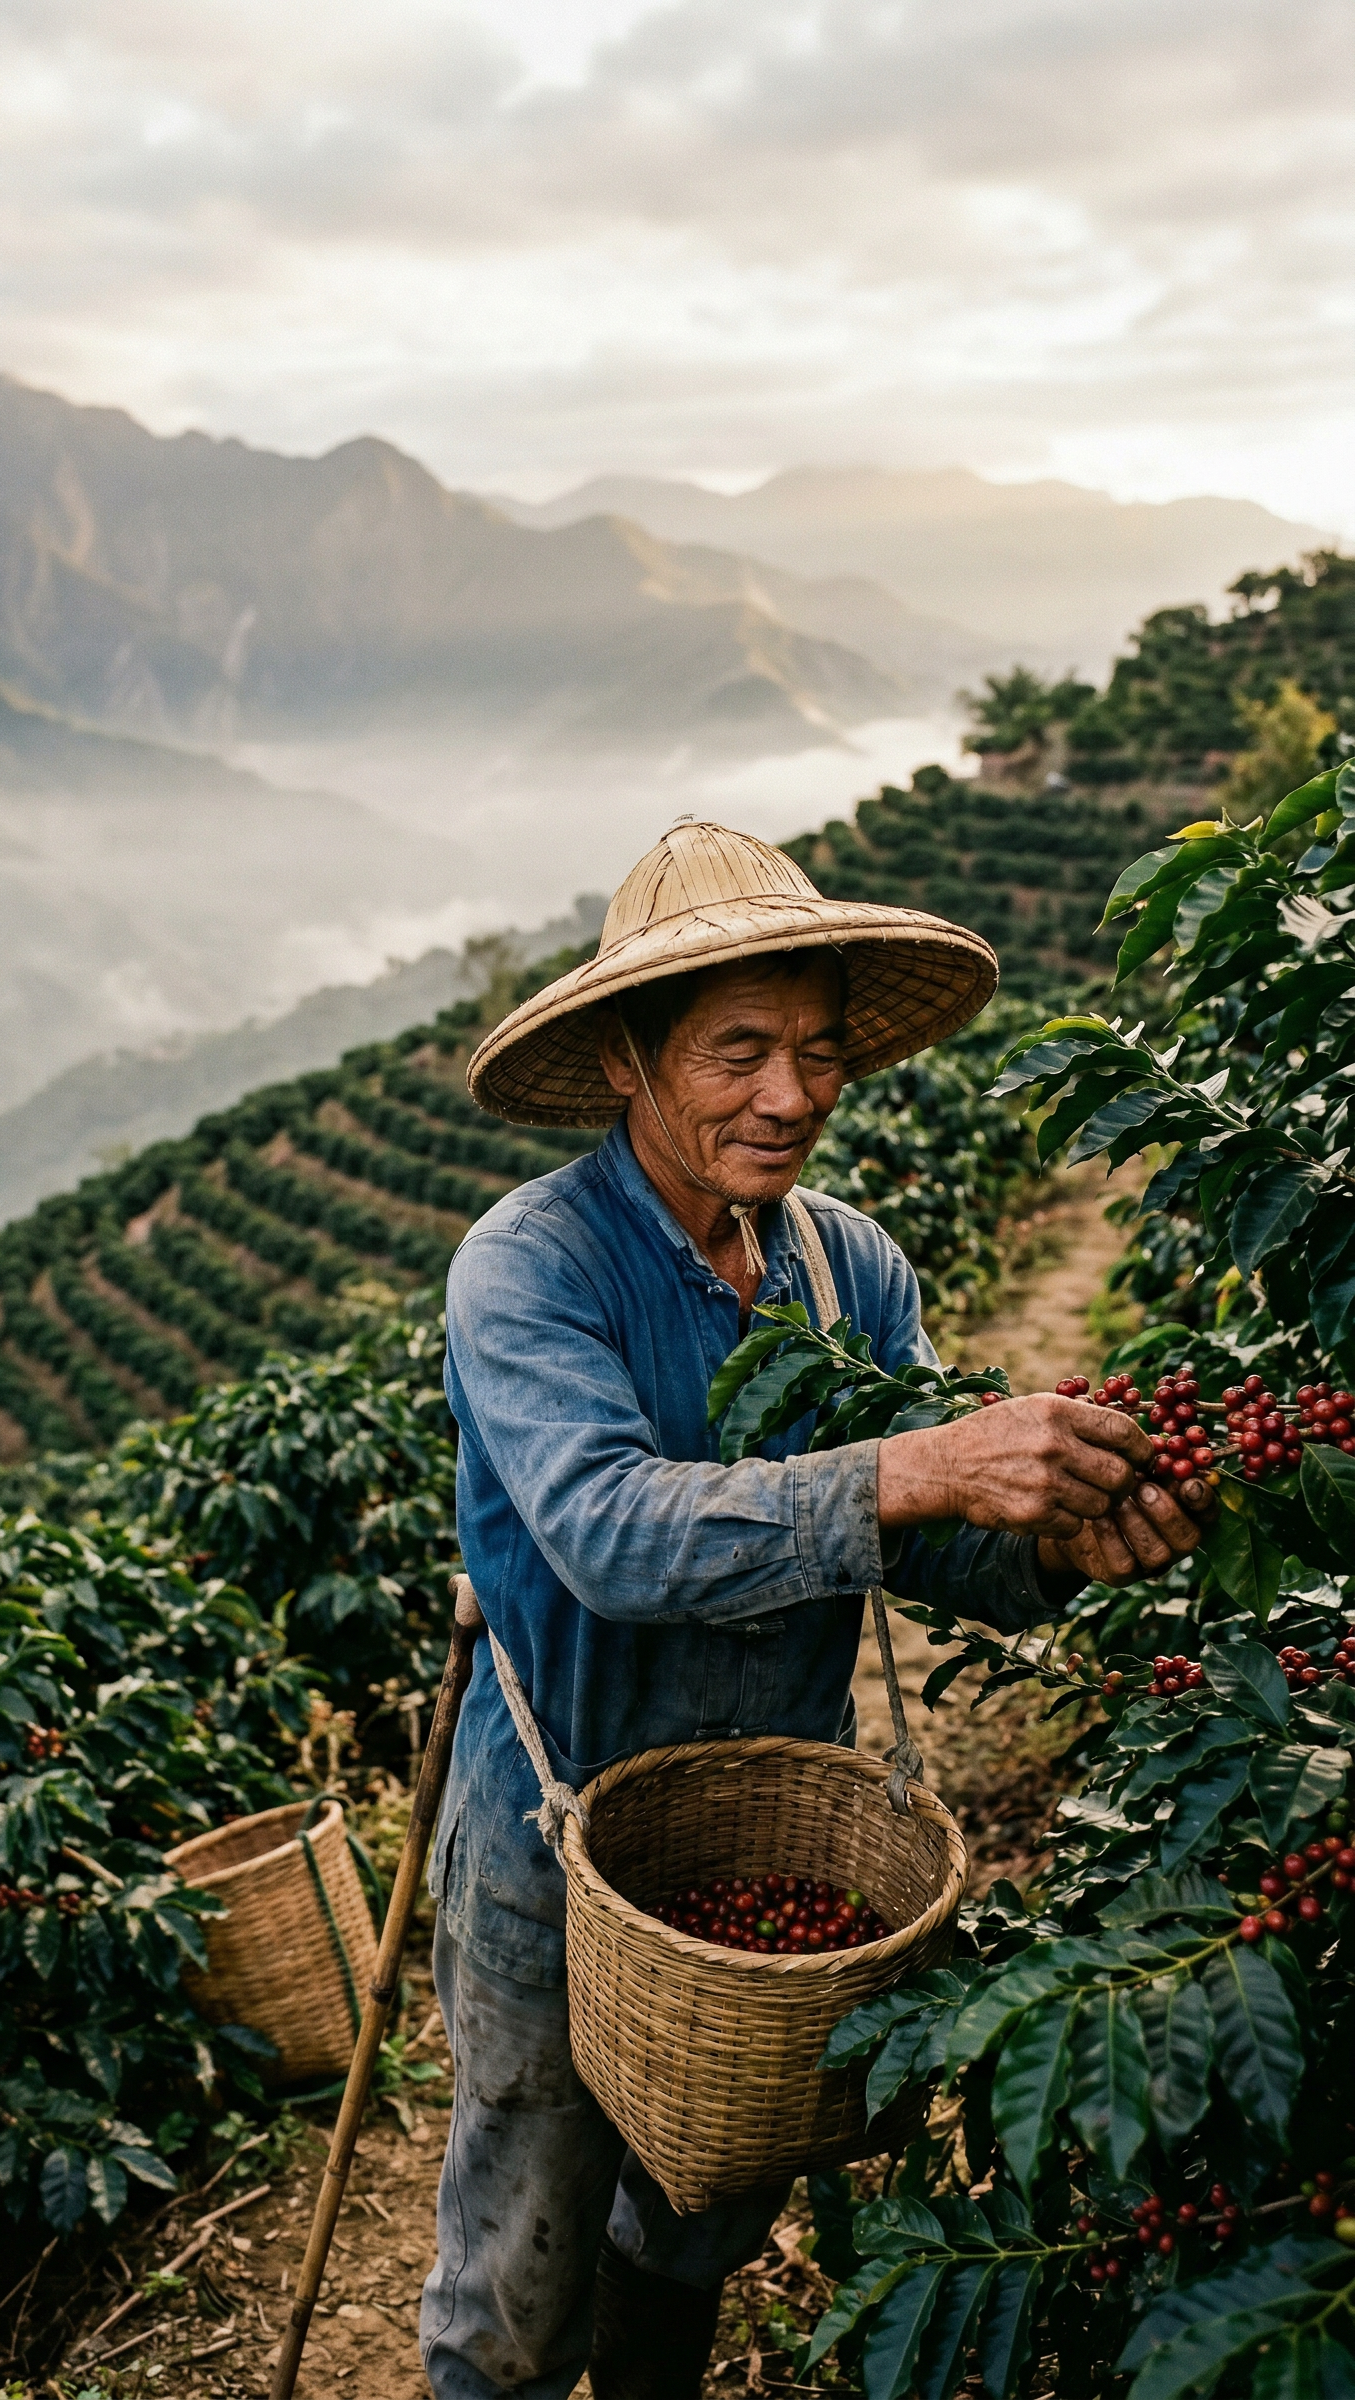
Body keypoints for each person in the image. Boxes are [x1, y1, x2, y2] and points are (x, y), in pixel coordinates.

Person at [419, 821, 1209, 2400]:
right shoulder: (531, 1269)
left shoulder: (848, 1269)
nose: (792, 1097)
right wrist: (916, 1461)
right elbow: (610, 1538)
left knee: (705, 2204)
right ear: (632, 1058)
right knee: (521, 2257)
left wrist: (1061, 1548)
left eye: (821, 1052)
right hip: (552, 1844)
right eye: (740, 1052)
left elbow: (938, 1549)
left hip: (781, 1829)